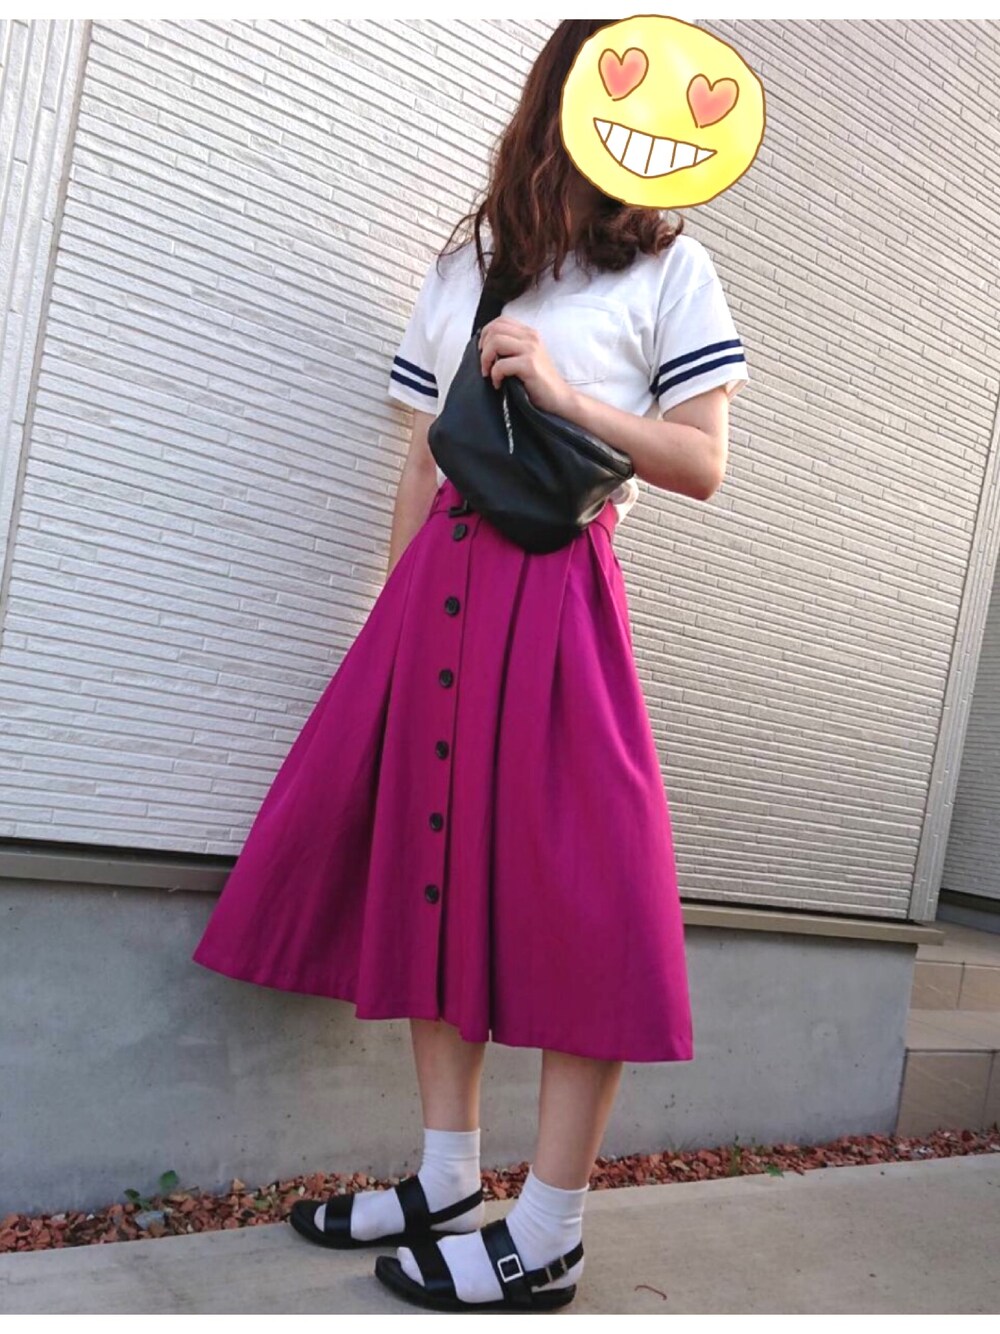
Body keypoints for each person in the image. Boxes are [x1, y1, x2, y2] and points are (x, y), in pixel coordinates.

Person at [191, 18, 749, 1315]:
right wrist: (393, 629)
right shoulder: (470, 266)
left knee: (592, 888)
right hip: (437, 594)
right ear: (561, 105)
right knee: (430, 863)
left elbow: (702, 462)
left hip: (561, 590)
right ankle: (447, 1178)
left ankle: (549, 1226)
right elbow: (422, 456)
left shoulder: (674, 270)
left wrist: (566, 394)